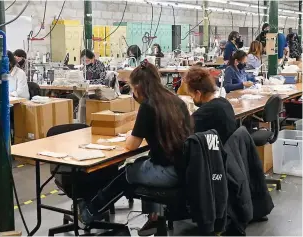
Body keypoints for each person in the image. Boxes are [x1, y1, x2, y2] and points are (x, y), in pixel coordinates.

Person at [77, 60, 193, 235]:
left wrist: (132, 133)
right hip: (184, 169)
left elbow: (132, 144)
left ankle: (89, 212)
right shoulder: (177, 101)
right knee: (141, 163)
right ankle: (154, 217)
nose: (133, 93)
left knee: (127, 173)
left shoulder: (148, 106)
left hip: (168, 173)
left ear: (139, 86)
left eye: (132, 88)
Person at [184, 67, 237, 144]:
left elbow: (186, 134)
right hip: (230, 150)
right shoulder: (225, 102)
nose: (192, 98)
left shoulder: (204, 113)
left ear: (198, 93)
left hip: (216, 153)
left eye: (192, 95)